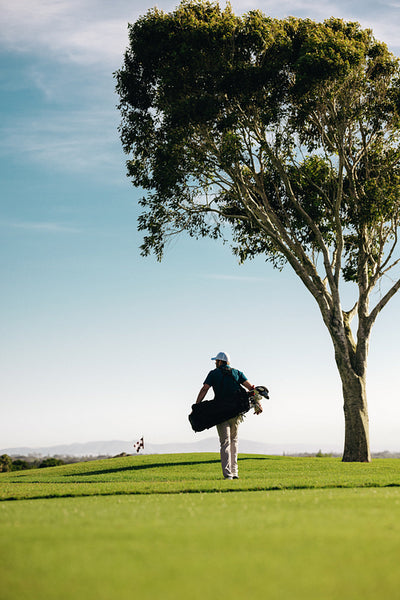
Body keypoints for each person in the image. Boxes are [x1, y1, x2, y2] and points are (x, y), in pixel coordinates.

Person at [196, 351, 260, 480]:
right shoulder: (237, 373)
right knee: (234, 441)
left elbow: (204, 389)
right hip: (235, 413)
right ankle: (235, 472)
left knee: (224, 442)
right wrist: (257, 404)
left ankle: (228, 474)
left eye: (216, 361)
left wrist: (196, 406)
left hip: (220, 412)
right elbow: (251, 388)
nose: (215, 363)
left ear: (220, 362)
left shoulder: (213, 373)